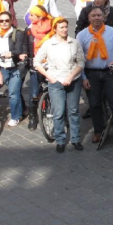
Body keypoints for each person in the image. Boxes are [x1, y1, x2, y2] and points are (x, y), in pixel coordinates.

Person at [33, 17, 85, 152]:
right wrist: (49, 77)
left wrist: (71, 76)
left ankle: (75, 139)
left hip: (73, 80)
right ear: (55, 29)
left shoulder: (74, 43)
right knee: (59, 112)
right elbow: (36, 62)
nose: (64, 29)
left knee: (73, 111)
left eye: (66, 27)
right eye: (61, 27)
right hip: (56, 81)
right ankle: (60, 139)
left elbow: (81, 62)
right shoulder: (48, 44)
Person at [78, 6, 113, 145]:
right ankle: (98, 131)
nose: (96, 18)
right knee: (94, 104)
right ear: (89, 18)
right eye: (93, 15)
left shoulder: (112, 32)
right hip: (91, 74)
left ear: (103, 17)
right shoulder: (82, 35)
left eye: (99, 15)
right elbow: (78, 58)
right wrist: (83, 78)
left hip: (110, 72)